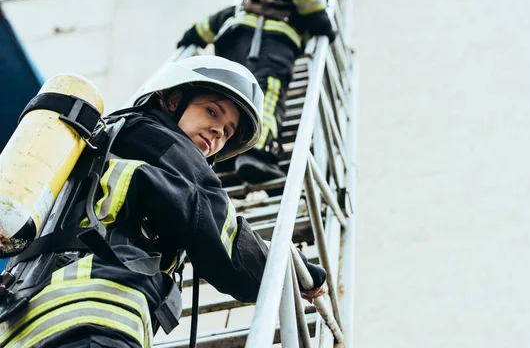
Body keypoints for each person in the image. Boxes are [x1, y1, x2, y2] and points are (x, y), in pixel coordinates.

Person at [0, 56, 326, 347]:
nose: (217, 132)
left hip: (23, 323)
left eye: (227, 132)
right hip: (93, 316)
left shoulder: (108, 142)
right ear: (172, 100)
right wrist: (294, 270)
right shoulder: (161, 142)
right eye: (212, 111)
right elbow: (219, 229)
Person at [176, 0, 377, 186]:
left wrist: (196, 34)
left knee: (233, 102)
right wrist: (323, 25)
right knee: (267, 92)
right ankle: (258, 153)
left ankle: (227, 159)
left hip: (237, 39)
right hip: (271, 39)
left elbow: (233, 13)